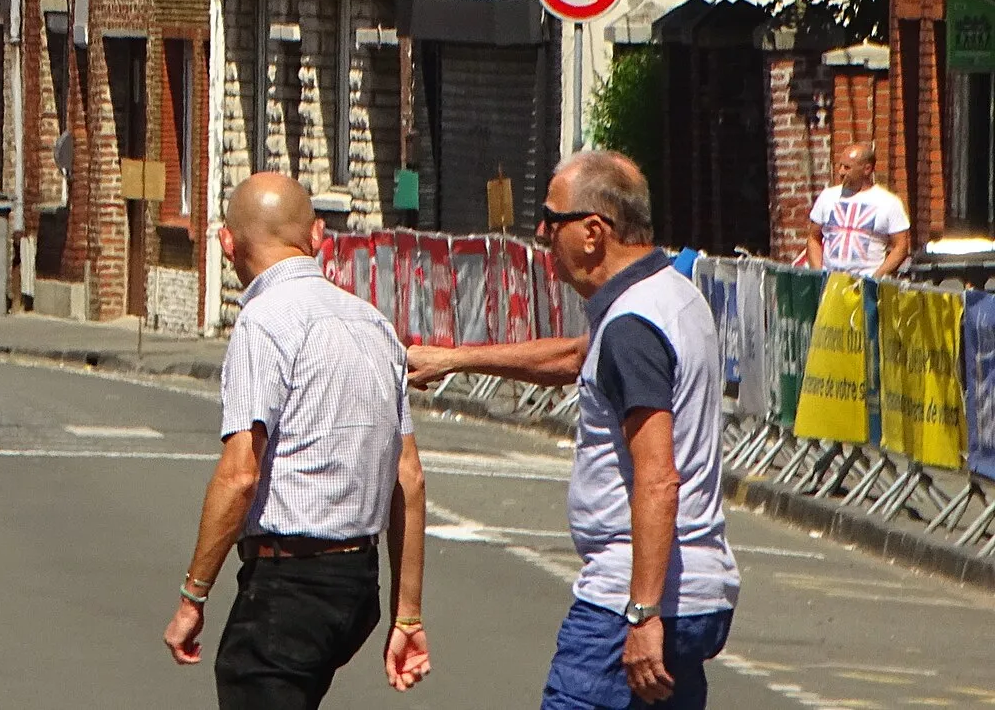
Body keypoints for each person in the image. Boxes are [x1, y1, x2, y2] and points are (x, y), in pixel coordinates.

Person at [410, 151, 739, 710]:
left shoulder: (633, 324)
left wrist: (641, 614)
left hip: (629, 596)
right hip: (697, 589)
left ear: (593, 232)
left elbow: (658, 478)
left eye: (552, 219)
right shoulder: (666, 295)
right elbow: (575, 357)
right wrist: (454, 359)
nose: (541, 233)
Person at [164, 172, 431, 707]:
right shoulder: (374, 324)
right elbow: (409, 476)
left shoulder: (264, 322)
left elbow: (241, 474)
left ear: (226, 242)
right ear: (316, 237)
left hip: (291, 583)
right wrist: (408, 613)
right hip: (357, 583)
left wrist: (194, 595)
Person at [805, 143, 909, 278]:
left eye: (847, 167)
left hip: (866, 283)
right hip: (830, 282)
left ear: (867, 169)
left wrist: (876, 277)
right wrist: (818, 273)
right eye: (840, 166)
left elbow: (900, 246)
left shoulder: (889, 202)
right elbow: (814, 237)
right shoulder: (828, 197)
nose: (841, 172)